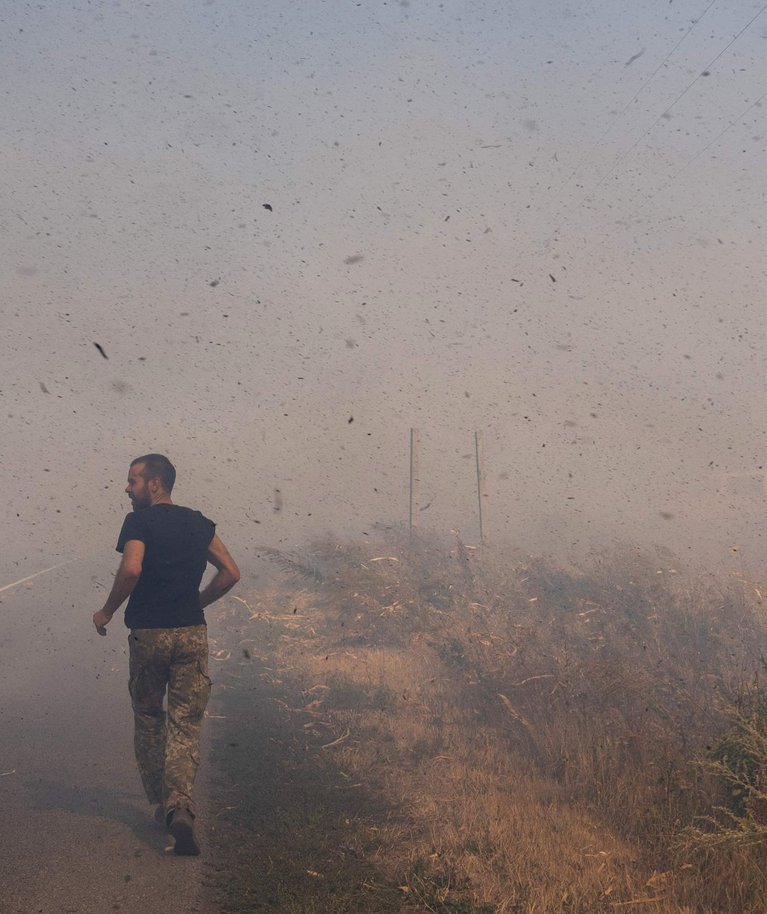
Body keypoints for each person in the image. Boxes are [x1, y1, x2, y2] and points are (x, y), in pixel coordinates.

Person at [92, 453, 240, 855]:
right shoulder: (198, 522)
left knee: (149, 716)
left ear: (154, 483)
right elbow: (230, 572)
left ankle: (163, 801)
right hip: (191, 632)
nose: (127, 488)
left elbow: (132, 568)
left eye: (132, 481)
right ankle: (180, 806)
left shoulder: (138, 522)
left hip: (148, 635)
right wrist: (197, 602)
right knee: (185, 722)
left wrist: (107, 611)